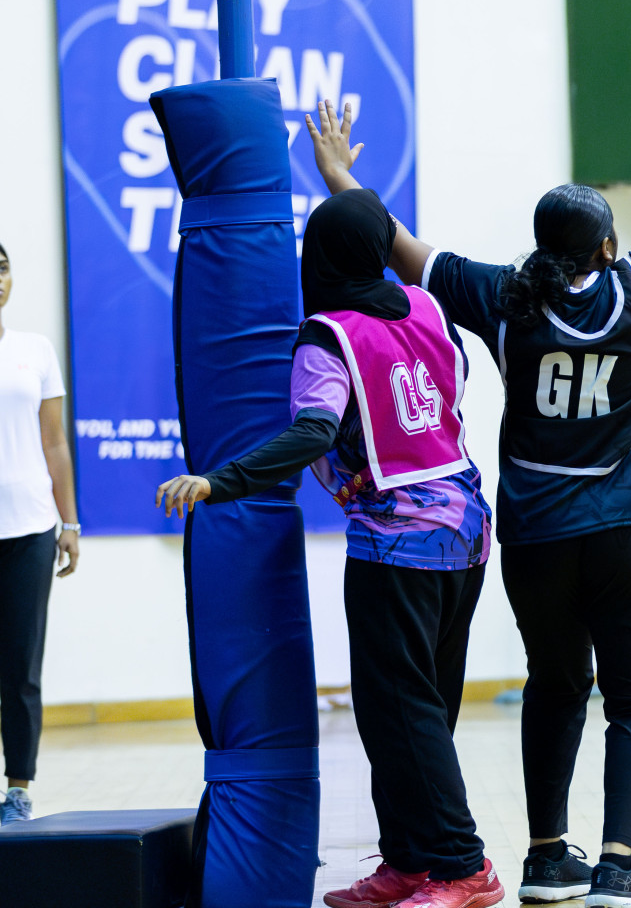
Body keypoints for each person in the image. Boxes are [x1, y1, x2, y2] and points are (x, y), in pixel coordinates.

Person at [376, 43, 631, 908]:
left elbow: (403, 250)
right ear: (609, 244)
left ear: (541, 245)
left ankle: (545, 858)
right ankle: (617, 864)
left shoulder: (503, 299)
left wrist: (340, 172)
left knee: (555, 684)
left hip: (537, 537)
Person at [156, 102, 502, 908]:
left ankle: (462, 867)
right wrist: (342, 175)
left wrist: (221, 480)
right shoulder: (428, 307)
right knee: (415, 709)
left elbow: (314, 430)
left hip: (398, 542)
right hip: (467, 530)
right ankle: (410, 861)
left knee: (401, 712)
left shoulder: (327, 335)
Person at [0, 240, 80, 826]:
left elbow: (55, 442)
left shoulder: (34, 350)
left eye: (2, 268)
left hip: (29, 527)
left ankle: (18, 789)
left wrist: (68, 521)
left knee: (21, 666)